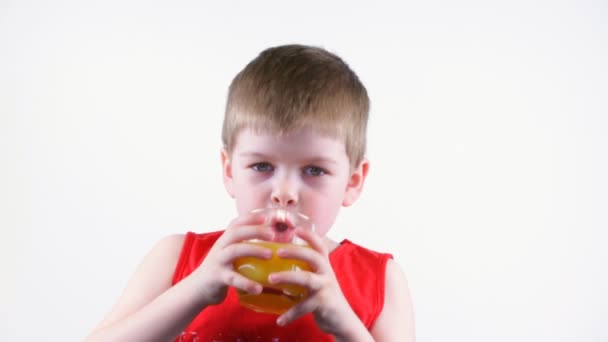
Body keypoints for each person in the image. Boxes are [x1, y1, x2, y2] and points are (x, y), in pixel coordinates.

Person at [86, 44, 415, 341]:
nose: (284, 193)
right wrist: (194, 290)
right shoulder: (178, 259)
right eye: (262, 166)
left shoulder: (379, 281)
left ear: (352, 182)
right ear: (229, 170)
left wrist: (346, 326)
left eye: (314, 170)